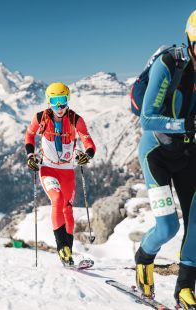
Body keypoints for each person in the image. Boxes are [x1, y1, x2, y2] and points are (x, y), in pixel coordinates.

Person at [135, 10, 196, 309]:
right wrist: (185, 126)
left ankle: (184, 289)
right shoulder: (170, 64)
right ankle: (143, 257)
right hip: (155, 153)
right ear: (191, 41)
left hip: (187, 152)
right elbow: (147, 119)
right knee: (167, 228)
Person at [25, 82, 96, 266]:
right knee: (57, 200)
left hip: (67, 171)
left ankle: (68, 254)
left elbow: (89, 142)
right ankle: (61, 248)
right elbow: (29, 136)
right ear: (49, 101)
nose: (59, 106)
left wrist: (87, 156)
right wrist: (30, 155)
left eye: (63, 100)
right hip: (47, 169)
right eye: (55, 101)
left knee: (68, 209)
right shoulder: (40, 117)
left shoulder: (75, 119)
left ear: (68, 100)